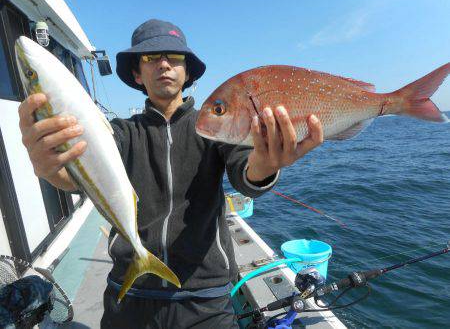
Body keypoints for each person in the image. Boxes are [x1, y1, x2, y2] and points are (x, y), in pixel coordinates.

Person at [18, 19, 323, 328]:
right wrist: (53, 170)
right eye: (150, 58)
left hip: (207, 298)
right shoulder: (120, 134)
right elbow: (85, 173)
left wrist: (267, 164)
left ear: (187, 72)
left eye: (174, 57)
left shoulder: (216, 126)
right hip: (129, 293)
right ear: (137, 73)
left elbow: (247, 172)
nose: (163, 63)